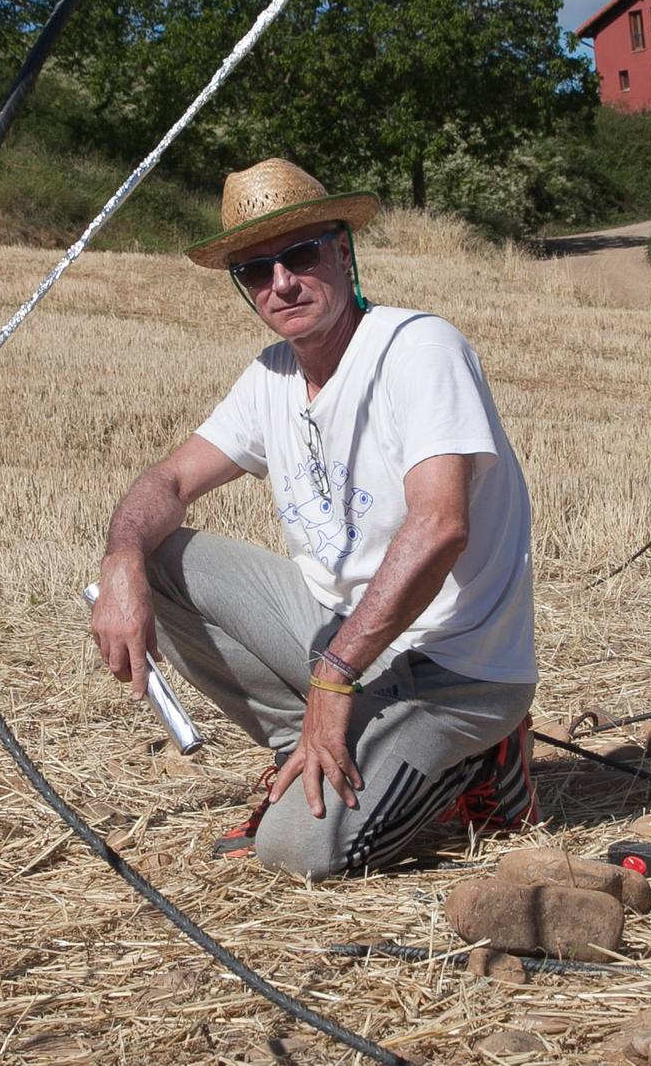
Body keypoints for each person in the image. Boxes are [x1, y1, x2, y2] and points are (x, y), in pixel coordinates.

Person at [90, 158, 536, 879]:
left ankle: (477, 765)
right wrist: (120, 561)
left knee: (296, 851)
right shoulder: (270, 374)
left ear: (341, 251)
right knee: (161, 557)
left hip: (453, 670)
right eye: (255, 271)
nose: (281, 283)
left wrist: (330, 683)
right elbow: (167, 479)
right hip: (349, 646)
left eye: (298, 255)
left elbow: (439, 526)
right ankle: (295, 752)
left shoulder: (418, 349)